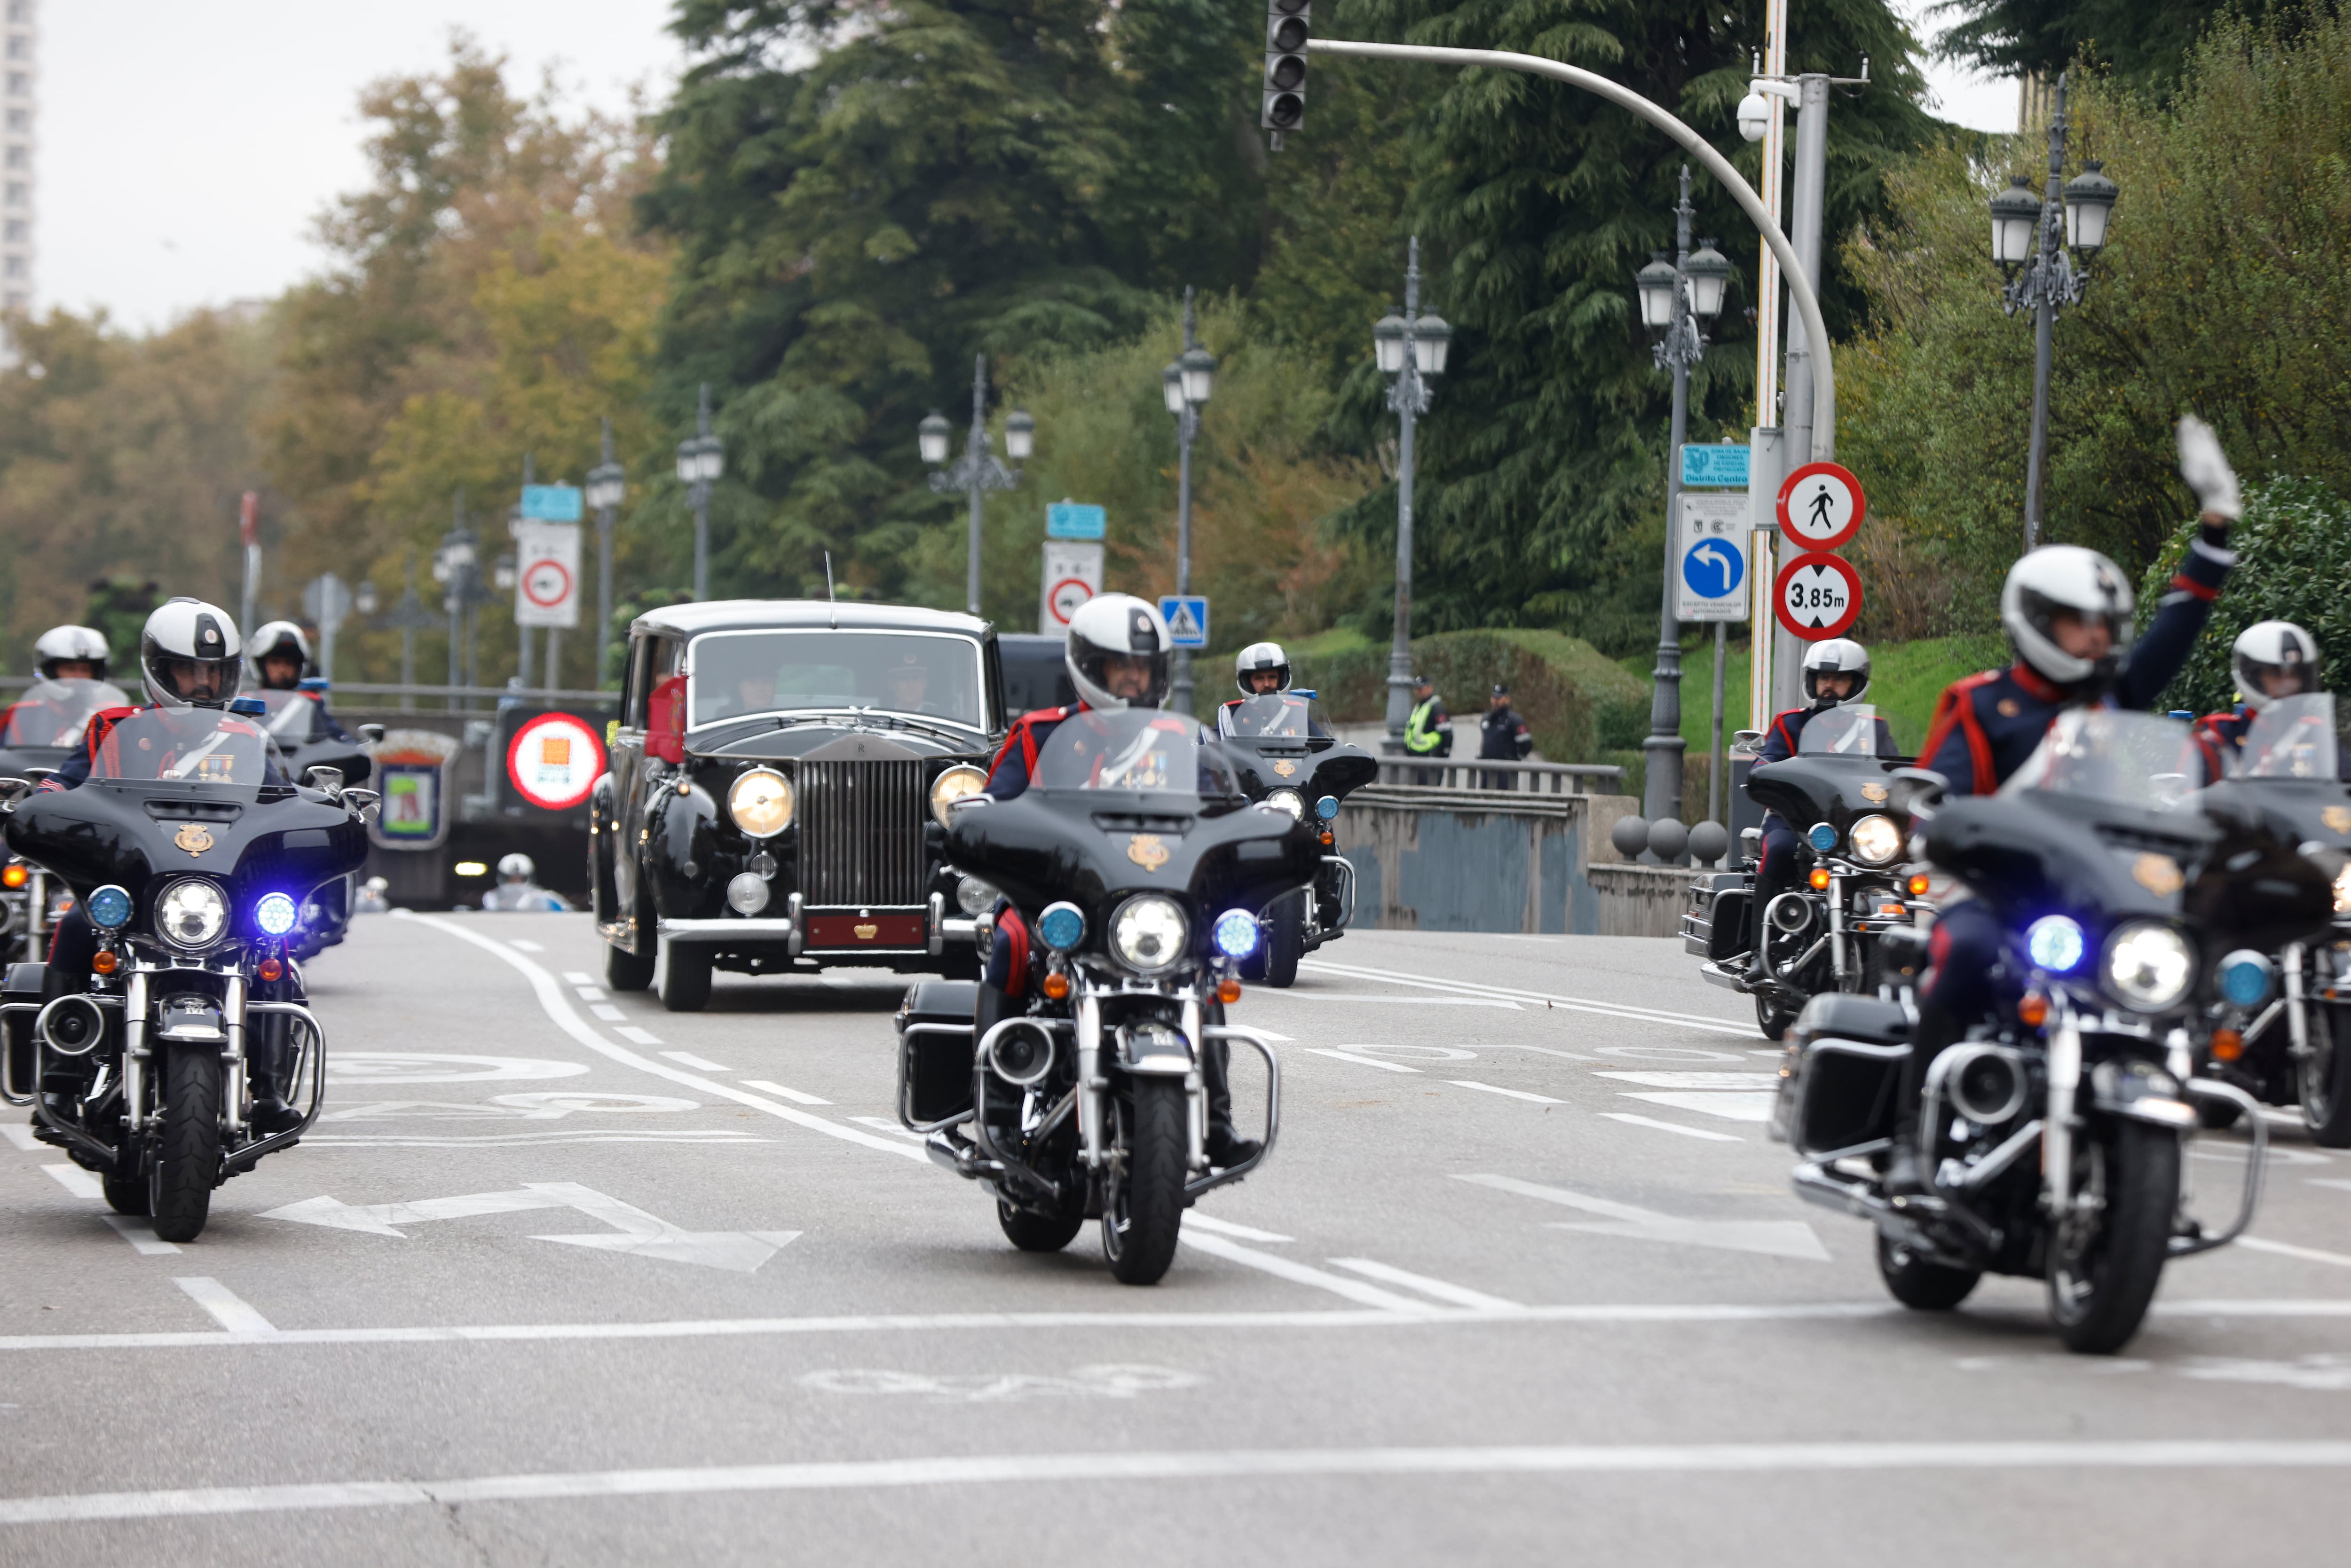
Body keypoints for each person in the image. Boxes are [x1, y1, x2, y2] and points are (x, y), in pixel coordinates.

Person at [1888, 415, 2243, 1195]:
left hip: (2093, 893)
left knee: (2170, 975)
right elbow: (1940, 796)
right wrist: (1935, 816)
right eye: (2082, 625)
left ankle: (2151, 1136)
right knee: (1963, 957)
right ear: (2040, 622)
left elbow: (2177, 627)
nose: (2097, 640)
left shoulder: (2116, 701)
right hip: (1995, 894)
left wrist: (2216, 528)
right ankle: (1912, 1140)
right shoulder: (1983, 704)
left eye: (2104, 626)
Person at [976, 593, 1258, 1166]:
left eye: (1144, 666)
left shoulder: (1187, 743)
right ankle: (997, 1108)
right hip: (1062, 899)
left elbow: (1227, 809)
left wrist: (1263, 827)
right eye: (1120, 665)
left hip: (1151, 900)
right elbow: (992, 803)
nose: (1134, 677)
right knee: (1009, 939)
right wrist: (968, 822)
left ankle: (1218, 1119)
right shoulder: (1040, 735)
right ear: (1089, 665)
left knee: (1204, 965)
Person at [37, 600, 303, 1134]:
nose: (202, 684)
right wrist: (41, 799)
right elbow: (64, 782)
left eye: (214, 672)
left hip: (220, 891)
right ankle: (60, 1080)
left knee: (278, 945)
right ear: (158, 668)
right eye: (189, 669)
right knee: (72, 924)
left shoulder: (250, 739)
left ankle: (269, 1088)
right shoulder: (112, 729)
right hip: (137, 888)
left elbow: (284, 797)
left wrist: (322, 805)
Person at [1742, 638, 1895, 972]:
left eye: (1839, 679)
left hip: (1853, 827)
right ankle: (1759, 951)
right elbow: (1762, 767)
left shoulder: (1875, 729)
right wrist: (1767, 777)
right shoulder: (1790, 724)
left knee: (1897, 864)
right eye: (1822, 678)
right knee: (1779, 849)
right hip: (1794, 821)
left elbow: (1894, 774)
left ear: (1856, 683)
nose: (1829, 686)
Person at [2192, 621, 2349, 780]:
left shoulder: (2316, 734)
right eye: (2276, 674)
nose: (2289, 684)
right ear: (2252, 676)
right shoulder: (2218, 735)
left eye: (2296, 674)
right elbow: (2189, 798)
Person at [1, 626, 128, 747]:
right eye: (70, 669)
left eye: (85, 670)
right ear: (51, 671)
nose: (79, 677)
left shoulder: (109, 716)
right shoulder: (24, 715)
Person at [244, 621, 356, 743]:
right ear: (260, 665)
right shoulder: (246, 705)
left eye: (289, 664)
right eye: (275, 663)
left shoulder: (308, 705)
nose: (282, 670)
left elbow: (341, 742)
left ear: (299, 667)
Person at [1479, 683, 1534, 789]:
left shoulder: (1514, 720)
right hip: (1487, 769)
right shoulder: (1487, 718)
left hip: (1506, 771)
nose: (1495, 701)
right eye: (1493, 698)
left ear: (1507, 700)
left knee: (1505, 800)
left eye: (1499, 698)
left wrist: (1516, 758)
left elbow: (1527, 744)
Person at [481, 853, 572, 912]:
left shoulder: (544, 897)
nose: (516, 883)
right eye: (511, 879)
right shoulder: (492, 897)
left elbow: (567, 910)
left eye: (520, 879)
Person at [1404, 673, 1452, 782]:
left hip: (1431, 758)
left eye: (1421, 688)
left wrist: (1443, 755)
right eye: (1417, 689)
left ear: (1430, 688)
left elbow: (1447, 734)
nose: (1419, 691)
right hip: (1417, 757)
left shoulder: (1436, 707)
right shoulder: (1419, 707)